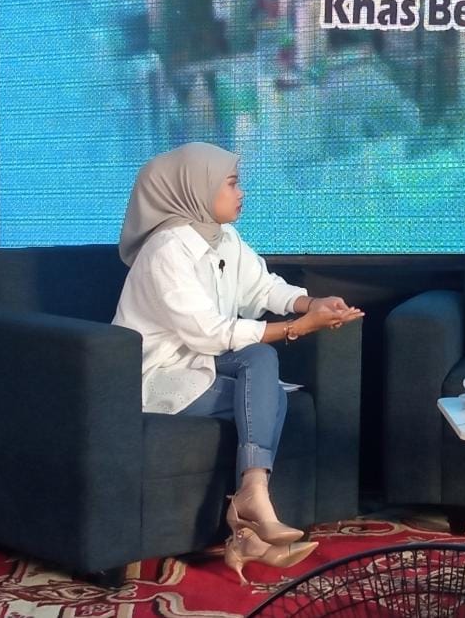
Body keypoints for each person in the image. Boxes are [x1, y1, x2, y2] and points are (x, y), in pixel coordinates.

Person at [113, 142, 364, 583]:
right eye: (231, 183)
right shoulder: (166, 250)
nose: (241, 192)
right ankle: (249, 523)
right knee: (271, 397)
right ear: (196, 188)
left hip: (202, 362)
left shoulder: (223, 237)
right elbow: (211, 332)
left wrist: (311, 302)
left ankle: (251, 498)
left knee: (261, 358)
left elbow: (262, 288)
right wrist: (299, 327)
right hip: (156, 376)